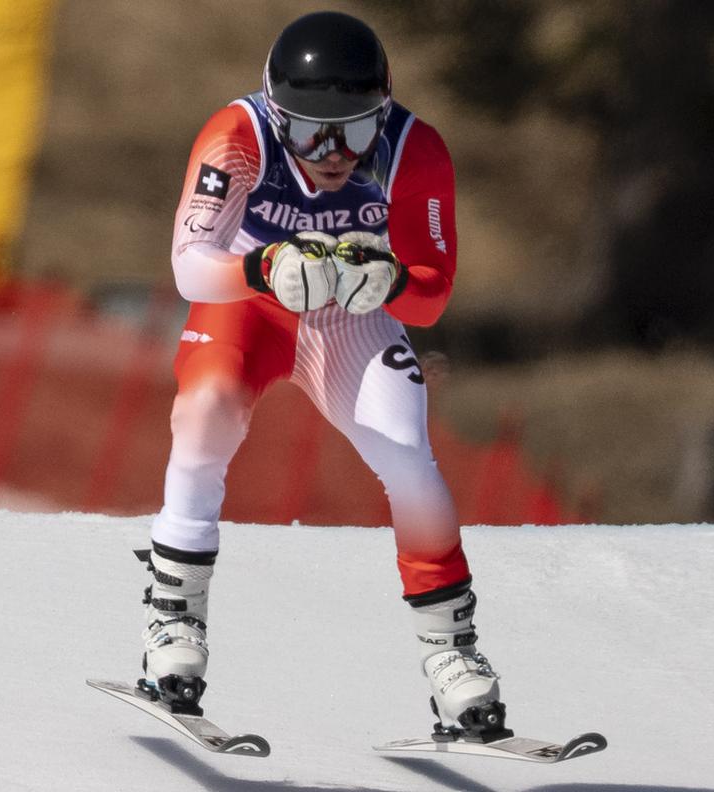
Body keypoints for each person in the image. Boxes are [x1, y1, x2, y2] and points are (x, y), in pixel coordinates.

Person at [135, 11, 509, 742]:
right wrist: (261, 264)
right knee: (205, 412)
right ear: (277, 117)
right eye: (309, 132)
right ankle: (173, 620)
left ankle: (452, 654)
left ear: (385, 113)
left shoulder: (414, 149)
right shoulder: (236, 137)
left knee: (407, 449)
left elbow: (432, 296)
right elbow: (188, 263)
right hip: (252, 307)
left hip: (348, 315)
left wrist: (392, 278)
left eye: (355, 130)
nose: (333, 152)